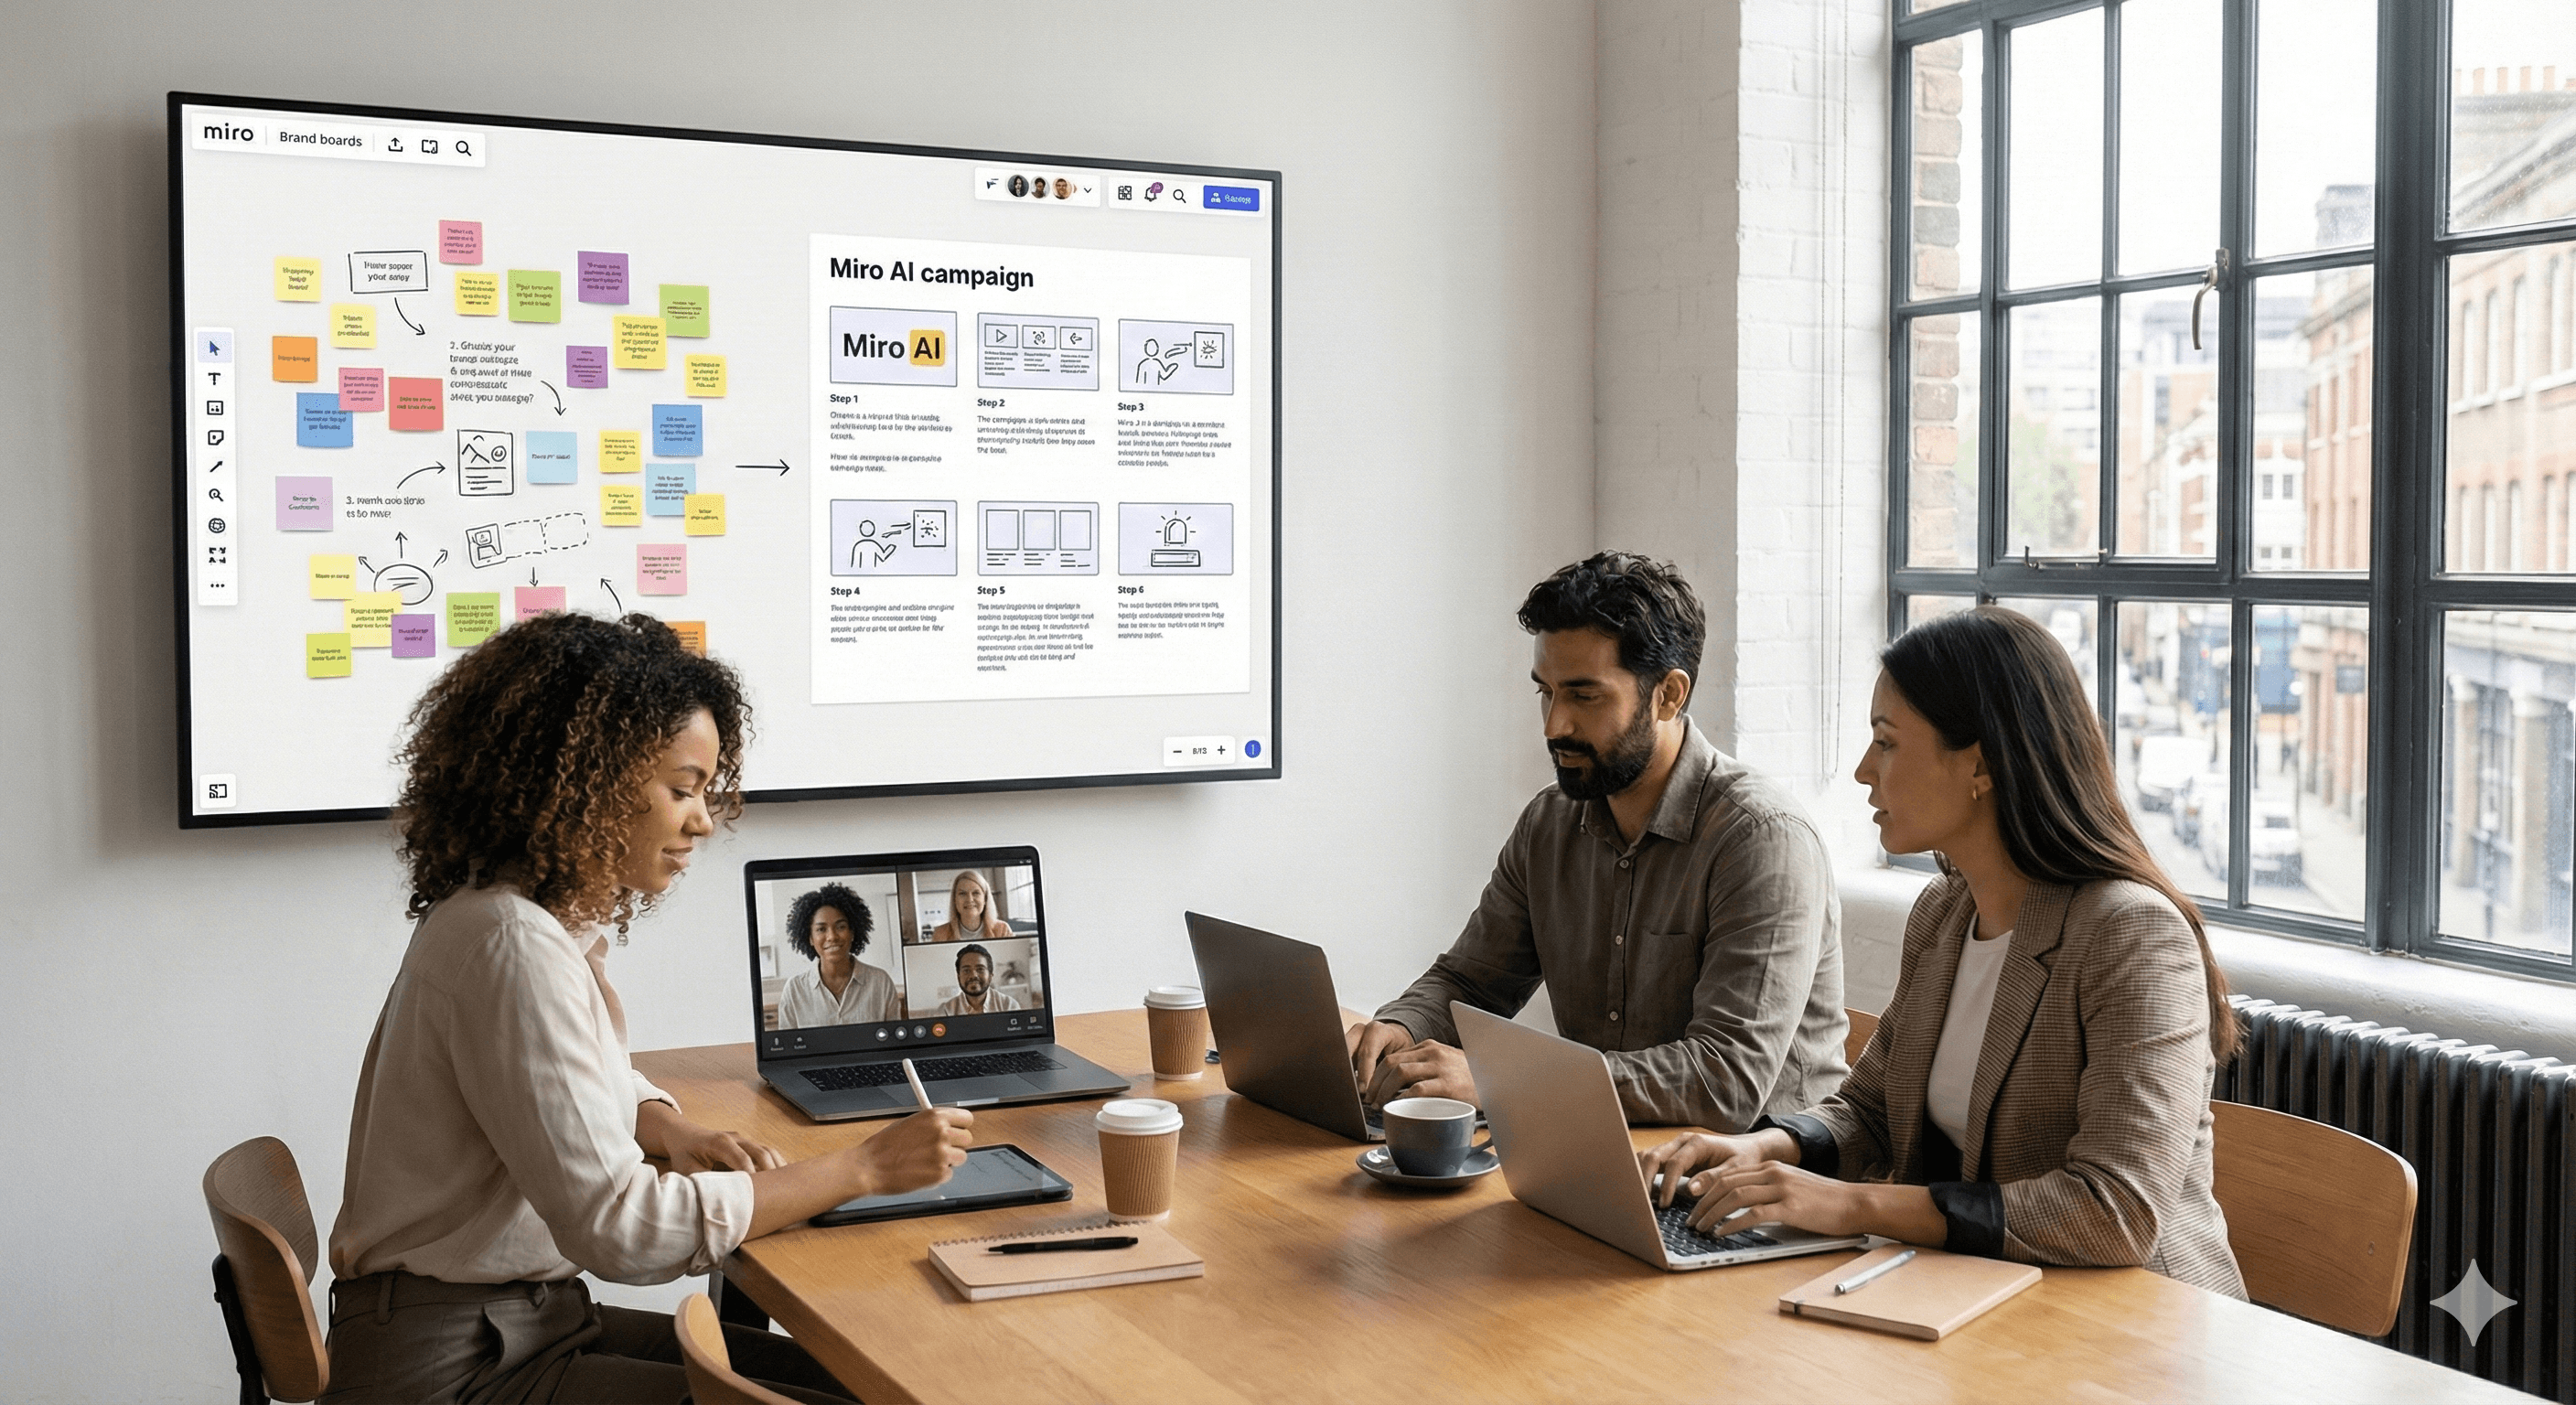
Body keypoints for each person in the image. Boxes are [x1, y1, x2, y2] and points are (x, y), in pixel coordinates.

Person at [325, 614, 976, 1403]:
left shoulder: (509, 918)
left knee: (855, 1381)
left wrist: (666, 1126)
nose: (703, 820)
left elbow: (558, 1087)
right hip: (455, 1369)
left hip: (514, 1324)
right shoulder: (512, 946)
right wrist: (861, 1167)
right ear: (589, 780)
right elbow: (622, 1228)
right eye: (682, 789)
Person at [1637, 606, 2248, 1296]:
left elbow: (2113, 1210)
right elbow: (1871, 1111)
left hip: (2139, 1320)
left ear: (1980, 764)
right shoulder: (1944, 913)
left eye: (1886, 741)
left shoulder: (2132, 935)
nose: (1863, 770)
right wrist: (1762, 1148)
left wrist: (1852, 1205)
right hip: (1980, 1293)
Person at [1347, 552, 1848, 1128]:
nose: (1553, 725)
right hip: (1604, 1147)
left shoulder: (1761, 840)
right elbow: (1470, 981)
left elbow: (1725, 1080)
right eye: (1546, 692)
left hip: (1753, 1172)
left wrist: (1502, 1079)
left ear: (1668, 695)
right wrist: (1402, 1027)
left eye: (1584, 696)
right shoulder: (1549, 823)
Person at [775, 883, 902, 1027]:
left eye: (841, 927)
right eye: (821, 929)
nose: (832, 937)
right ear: (810, 938)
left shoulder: (881, 983)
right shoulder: (794, 990)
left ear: (852, 933)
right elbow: (788, 1042)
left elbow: (893, 1038)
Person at [927, 870, 1014, 943]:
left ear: (985, 899)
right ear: (955, 900)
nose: (969, 899)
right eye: (962, 893)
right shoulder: (940, 933)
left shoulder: (1003, 929)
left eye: (976, 893)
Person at [935, 944, 1020, 1016]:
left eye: (980, 969)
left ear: (990, 975)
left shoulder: (1009, 1006)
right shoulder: (946, 1011)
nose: (973, 975)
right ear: (958, 977)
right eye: (966, 970)